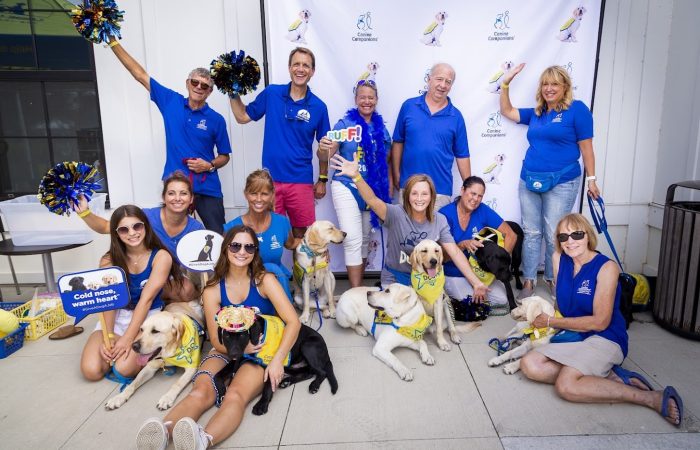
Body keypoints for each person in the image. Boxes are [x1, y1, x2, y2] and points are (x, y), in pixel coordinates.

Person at [134, 225, 300, 450]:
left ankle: (202, 440)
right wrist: (240, 350)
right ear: (225, 249)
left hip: (260, 349)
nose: (242, 251)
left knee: (235, 395)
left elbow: (293, 321)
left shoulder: (264, 280)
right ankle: (162, 433)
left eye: (249, 247)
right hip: (225, 348)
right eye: (236, 245)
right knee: (201, 391)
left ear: (255, 252)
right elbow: (214, 336)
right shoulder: (213, 289)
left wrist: (278, 359)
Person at [519, 213, 683, 428]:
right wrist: (538, 310)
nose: (570, 241)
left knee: (566, 386)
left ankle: (651, 398)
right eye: (563, 237)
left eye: (577, 234)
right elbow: (562, 306)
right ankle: (610, 376)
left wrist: (550, 322)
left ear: (588, 235)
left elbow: (600, 322)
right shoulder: (559, 259)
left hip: (605, 337)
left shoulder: (607, 267)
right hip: (576, 336)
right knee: (530, 364)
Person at [106, 37, 232, 233]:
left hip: (207, 188)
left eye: (204, 86)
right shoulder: (171, 101)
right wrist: (113, 42)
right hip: (176, 188)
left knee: (216, 236)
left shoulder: (216, 119)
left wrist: (209, 165)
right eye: (195, 82)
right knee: (169, 234)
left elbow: (225, 156)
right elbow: (139, 74)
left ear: (209, 92)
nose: (199, 87)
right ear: (187, 83)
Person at [500, 64, 601, 300]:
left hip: (562, 181)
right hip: (530, 180)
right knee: (532, 231)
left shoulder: (578, 111)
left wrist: (592, 180)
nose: (549, 88)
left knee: (555, 233)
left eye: (554, 83)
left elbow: (587, 148)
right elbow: (507, 111)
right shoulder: (537, 113)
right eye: (545, 84)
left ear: (565, 86)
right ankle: (528, 279)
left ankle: (554, 279)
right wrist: (505, 83)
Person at [331, 154, 487, 301]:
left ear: (431, 197)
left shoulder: (440, 220)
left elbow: (454, 252)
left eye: (424, 194)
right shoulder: (395, 213)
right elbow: (372, 200)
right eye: (414, 194)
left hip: (424, 279)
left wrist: (476, 283)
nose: (419, 199)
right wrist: (356, 177)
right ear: (407, 196)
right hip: (395, 279)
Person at [230, 47, 330, 238]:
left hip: (300, 180)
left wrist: (323, 179)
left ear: (312, 71)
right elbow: (242, 116)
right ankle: (268, 269)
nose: (300, 69)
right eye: (296, 64)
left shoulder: (319, 106)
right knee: (268, 233)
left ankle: (301, 270)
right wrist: (232, 92)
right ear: (289, 68)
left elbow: (324, 149)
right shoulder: (272, 94)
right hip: (270, 181)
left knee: (303, 236)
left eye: (306, 65)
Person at [80, 205, 181, 384]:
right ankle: (116, 346)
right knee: (91, 371)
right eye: (124, 229)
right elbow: (108, 302)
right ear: (116, 233)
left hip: (147, 317)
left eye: (137, 226)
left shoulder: (160, 257)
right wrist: (109, 336)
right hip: (117, 315)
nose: (132, 233)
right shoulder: (108, 260)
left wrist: (127, 339)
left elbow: (146, 300)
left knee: (123, 368)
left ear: (146, 226)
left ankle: (142, 353)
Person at [76, 171, 202, 302]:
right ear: (163, 197)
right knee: (109, 267)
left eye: (183, 193)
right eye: (171, 193)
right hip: (135, 273)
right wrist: (84, 212)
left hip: (164, 276)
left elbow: (202, 262)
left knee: (187, 290)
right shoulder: (146, 217)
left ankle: (156, 304)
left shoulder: (196, 229)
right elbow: (105, 227)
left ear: (191, 198)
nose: (177, 198)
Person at [318, 79, 391, 287]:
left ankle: (357, 287)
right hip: (346, 185)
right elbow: (325, 155)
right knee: (353, 239)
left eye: (370, 97)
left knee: (366, 240)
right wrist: (323, 148)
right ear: (356, 99)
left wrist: (386, 188)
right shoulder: (344, 124)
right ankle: (356, 292)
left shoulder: (382, 129)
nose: (366, 101)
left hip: (370, 190)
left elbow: (385, 161)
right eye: (362, 97)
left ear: (376, 100)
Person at [391, 63, 470, 209]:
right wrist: (396, 173)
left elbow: (462, 155)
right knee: (406, 232)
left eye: (448, 81)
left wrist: (470, 188)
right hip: (409, 186)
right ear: (429, 79)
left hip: (440, 191)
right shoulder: (408, 106)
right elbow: (398, 142)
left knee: (437, 232)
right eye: (439, 79)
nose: (443, 85)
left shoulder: (456, 117)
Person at [439, 176, 516, 307]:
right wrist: (463, 245)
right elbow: (443, 258)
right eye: (473, 193)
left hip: (480, 274)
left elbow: (511, 235)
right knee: (470, 303)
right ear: (462, 190)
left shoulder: (483, 210)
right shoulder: (445, 214)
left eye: (480, 196)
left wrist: (499, 260)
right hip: (454, 272)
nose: (475, 199)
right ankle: (449, 295)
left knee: (501, 300)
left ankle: (471, 294)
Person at [223, 169, 296, 299]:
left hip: (276, 283)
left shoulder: (281, 222)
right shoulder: (232, 227)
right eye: (253, 193)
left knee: (271, 268)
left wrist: (318, 246)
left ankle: (286, 313)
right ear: (246, 194)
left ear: (272, 195)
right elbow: (222, 262)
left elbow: (292, 244)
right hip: (244, 286)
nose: (258, 199)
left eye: (264, 194)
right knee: (268, 267)